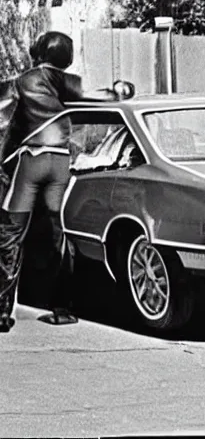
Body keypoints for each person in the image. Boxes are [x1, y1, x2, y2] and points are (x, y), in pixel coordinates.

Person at [0, 31, 129, 333]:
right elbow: (102, 97)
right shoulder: (70, 83)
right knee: (60, 236)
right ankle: (63, 309)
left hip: (30, 163)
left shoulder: (23, 81)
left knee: (9, 235)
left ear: (40, 51)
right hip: (60, 164)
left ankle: (2, 314)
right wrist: (120, 91)